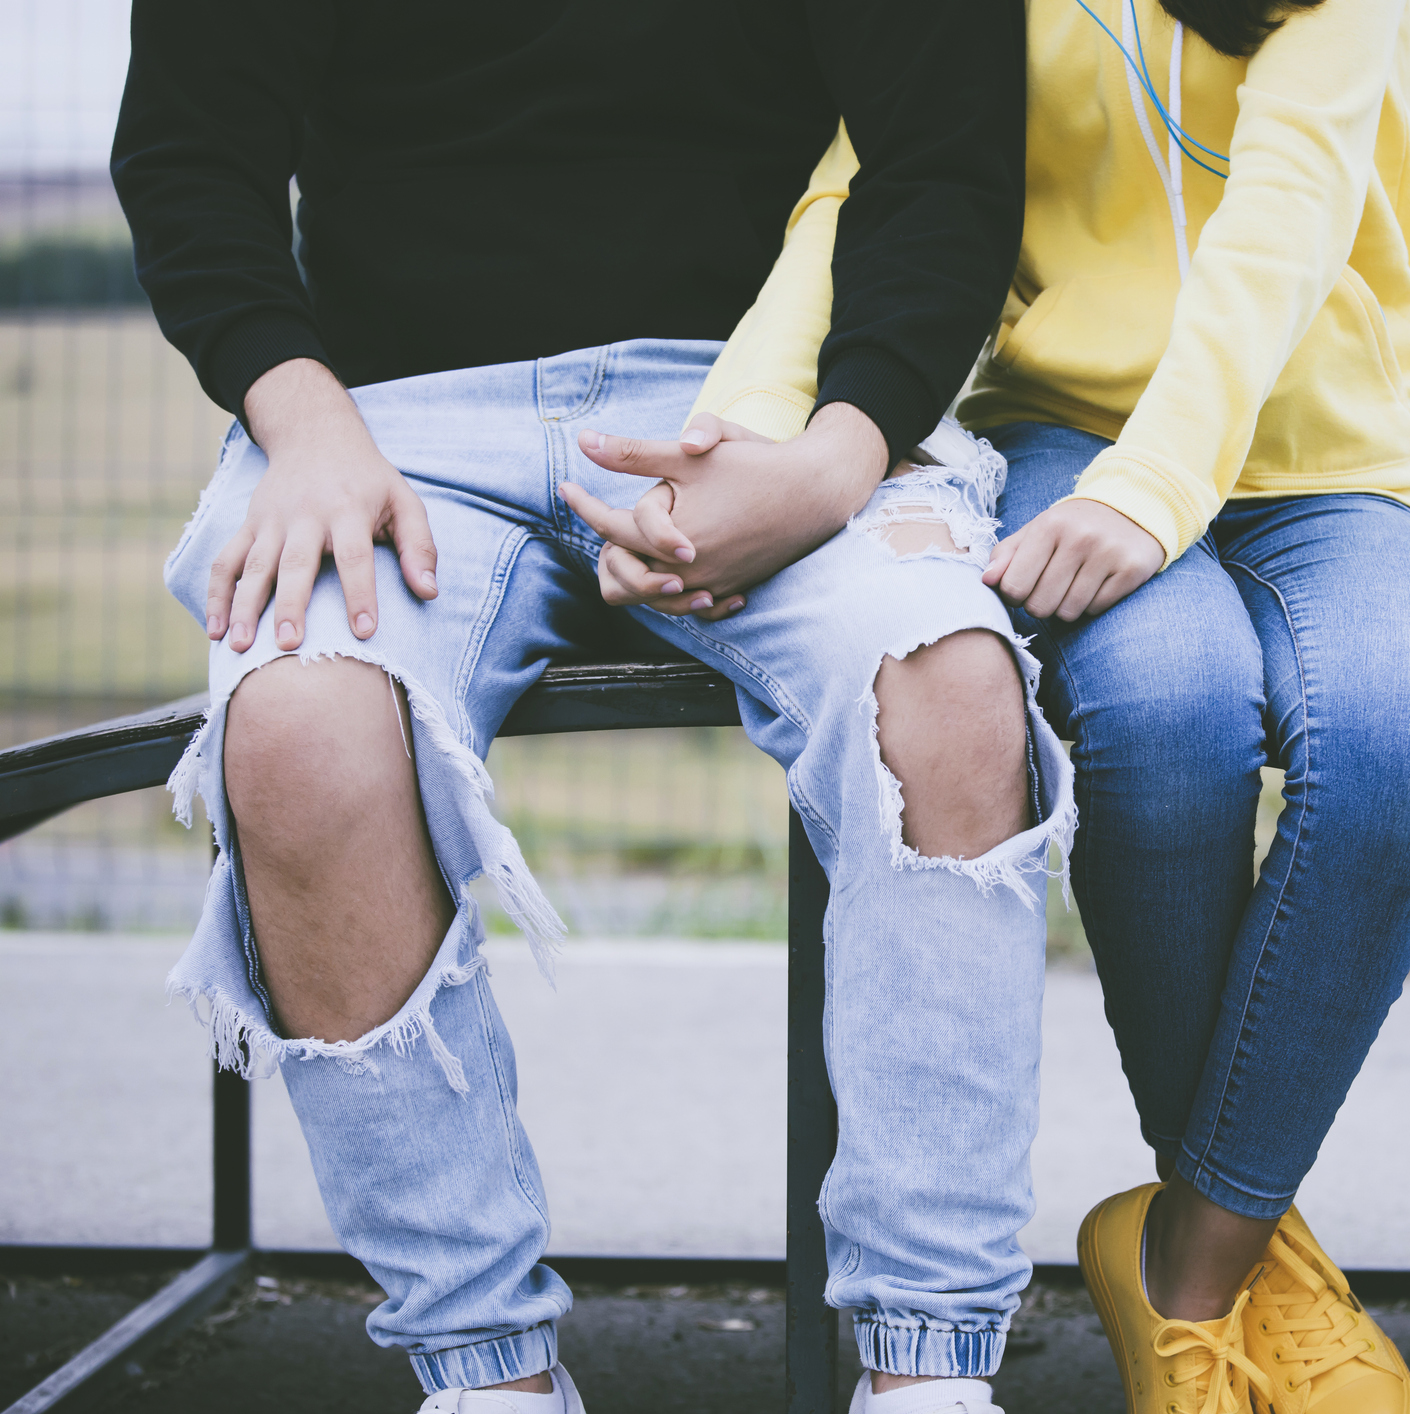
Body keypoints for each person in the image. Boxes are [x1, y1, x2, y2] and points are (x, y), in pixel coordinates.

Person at [113, 4, 1065, 1410]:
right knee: (301, 727)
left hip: (769, 407)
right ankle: (485, 1370)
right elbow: (193, 155)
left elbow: (949, 165)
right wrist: (304, 423)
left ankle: (927, 1369)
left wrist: (828, 461)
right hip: (384, 421)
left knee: (947, 682)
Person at [592, 1, 1410, 1410]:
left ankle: (1190, 1275)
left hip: (1326, 458)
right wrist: (736, 440)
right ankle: (1258, 1283)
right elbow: (857, 191)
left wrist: (1154, 493)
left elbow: (1287, 211)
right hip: (1068, 434)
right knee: (1166, 709)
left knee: (1407, 735)